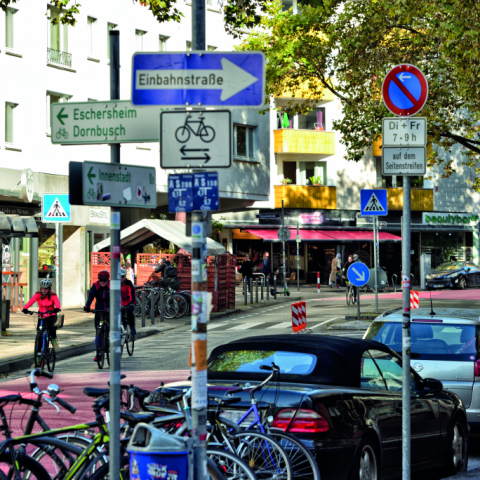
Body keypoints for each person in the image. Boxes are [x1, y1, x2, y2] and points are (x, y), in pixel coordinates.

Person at [23, 278, 61, 356]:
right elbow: (31, 301)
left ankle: (54, 341)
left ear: (49, 288)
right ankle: (38, 359)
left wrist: (56, 309)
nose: (44, 290)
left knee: (51, 328)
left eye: (46, 289)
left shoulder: (53, 295)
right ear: (40, 288)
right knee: (39, 333)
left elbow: (57, 303)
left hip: (51, 315)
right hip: (41, 315)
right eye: (43, 288)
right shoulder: (38, 294)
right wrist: (25, 308)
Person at [84, 270, 110, 362]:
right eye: (100, 280)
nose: (102, 282)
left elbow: (117, 297)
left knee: (111, 328)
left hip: (109, 309)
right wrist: (87, 306)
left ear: (108, 279)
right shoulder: (95, 285)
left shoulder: (111, 286)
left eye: (104, 280)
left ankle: (112, 345)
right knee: (98, 331)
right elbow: (91, 297)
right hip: (99, 310)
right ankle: (98, 353)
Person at [120, 268, 137, 337]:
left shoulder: (128, 283)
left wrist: (133, 302)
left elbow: (132, 293)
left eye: (122, 276)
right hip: (119, 303)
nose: (121, 278)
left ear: (125, 276)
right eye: (119, 276)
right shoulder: (115, 283)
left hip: (128, 302)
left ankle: (132, 327)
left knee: (130, 314)